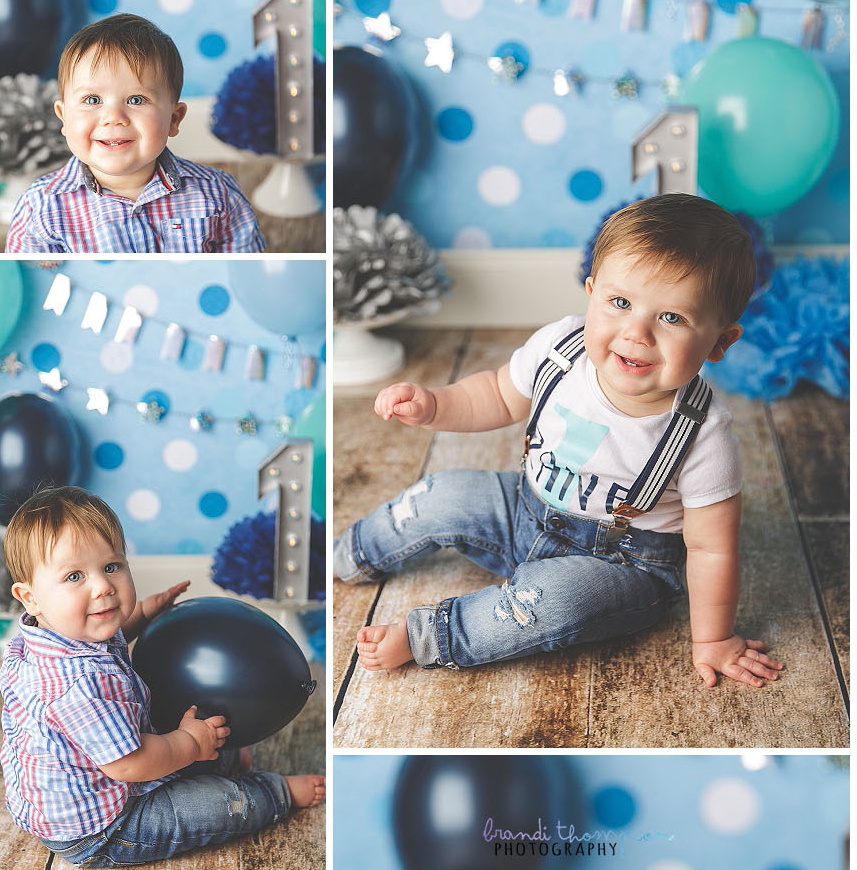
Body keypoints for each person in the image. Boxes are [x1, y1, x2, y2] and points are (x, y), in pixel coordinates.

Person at [335, 195, 783, 692]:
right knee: (445, 493)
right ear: (591, 292)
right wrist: (435, 405)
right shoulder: (562, 349)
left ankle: (427, 637)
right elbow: (497, 395)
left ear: (720, 341)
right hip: (525, 510)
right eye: (620, 303)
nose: (636, 333)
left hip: (619, 566)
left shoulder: (703, 433)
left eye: (672, 318)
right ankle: (351, 554)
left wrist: (713, 640)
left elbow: (711, 550)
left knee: (552, 603)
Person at [0, 486, 324, 868]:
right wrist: (186, 743)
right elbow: (129, 764)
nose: (102, 586)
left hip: (94, 786)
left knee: (198, 740)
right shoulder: (74, 685)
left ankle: (211, 758)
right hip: (105, 827)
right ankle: (273, 793)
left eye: (111, 566)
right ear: (30, 597)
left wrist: (143, 615)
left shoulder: (56, 636)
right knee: (217, 806)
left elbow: (114, 640)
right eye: (74, 576)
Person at [5, 13, 264, 253]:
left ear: (174, 119)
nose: (113, 117)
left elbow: (244, 271)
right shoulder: (41, 208)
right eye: (92, 100)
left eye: (137, 100)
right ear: (63, 117)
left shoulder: (217, 193)